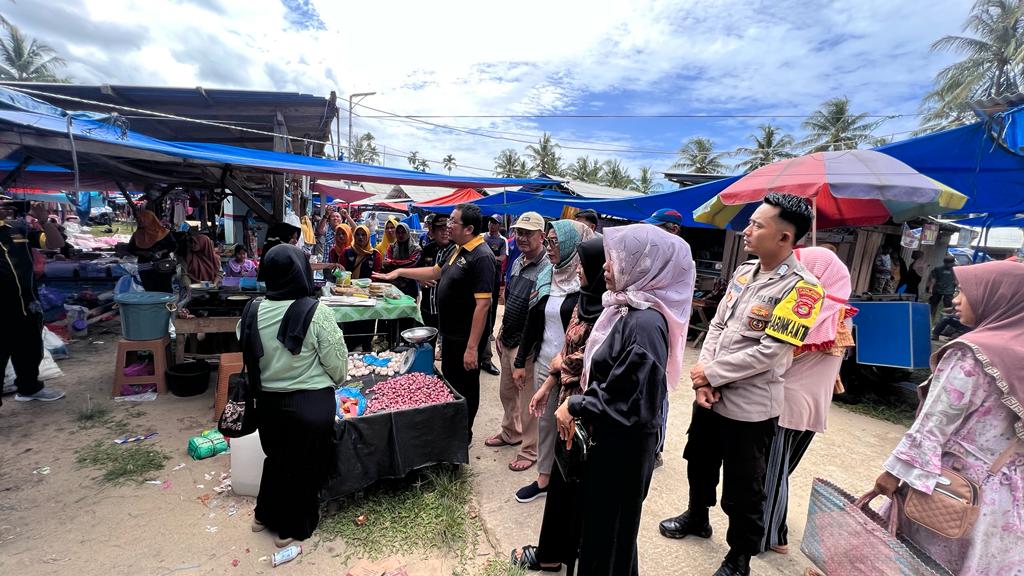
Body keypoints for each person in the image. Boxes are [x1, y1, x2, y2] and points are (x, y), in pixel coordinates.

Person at [659, 193, 822, 576]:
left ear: (784, 238)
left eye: (757, 225)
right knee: (698, 461)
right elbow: (717, 325)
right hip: (710, 397)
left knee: (743, 485)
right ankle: (697, 517)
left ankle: (739, 557)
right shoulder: (744, 272)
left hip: (750, 407)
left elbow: (771, 353)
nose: (747, 230)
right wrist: (704, 378)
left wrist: (711, 375)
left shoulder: (804, 289)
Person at [554, 224, 695, 576]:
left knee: (610, 535)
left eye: (615, 258)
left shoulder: (645, 324)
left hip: (624, 451)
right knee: (608, 535)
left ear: (643, 265)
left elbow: (631, 402)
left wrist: (576, 405)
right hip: (613, 443)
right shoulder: (627, 310)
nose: (604, 266)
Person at [873, 260, 1024, 576]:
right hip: (1006, 505)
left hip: (950, 491)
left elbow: (933, 424)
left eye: (965, 291)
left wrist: (892, 473)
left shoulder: (971, 353)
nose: (955, 299)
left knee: (912, 563)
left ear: (999, 296)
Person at [511, 236, 607, 573]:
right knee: (563, 488)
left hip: (587, 412)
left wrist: (558, 370)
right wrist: (550, 383)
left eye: (586, 264)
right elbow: (569, 352)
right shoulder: (586, 301)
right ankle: (554, 553)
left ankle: (561, 554)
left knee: (577, 489)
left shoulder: (613, 311)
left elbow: (589, 362)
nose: (580, 269)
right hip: (569, 404)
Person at [243, 244, 347, 547]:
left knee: (276, 458)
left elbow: (243, 340)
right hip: (310, 405)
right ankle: (290, 528)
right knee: (305, 466)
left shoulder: (252, 309)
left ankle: (262, 515)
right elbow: (337, 366)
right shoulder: (318, 312)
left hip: (267, 403)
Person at [758, 247, 855, 555]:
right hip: (811, 408)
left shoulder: (812, 313)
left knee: (771, 471)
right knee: (781, 468)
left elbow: (779, 355)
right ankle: (771, 526)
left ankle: (773, 534)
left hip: (787, 405)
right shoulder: (841, 315)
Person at [373, 203, 495, 442]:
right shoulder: (457, 249)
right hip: (450, 335)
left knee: (466, 388)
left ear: (469, 228)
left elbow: (483, 305)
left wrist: (472, 348)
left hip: (465, 339)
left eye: (452, 222)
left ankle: (463, 437)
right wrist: (399, 273)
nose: (447, 226)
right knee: (449, 383)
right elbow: (433, 272)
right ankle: (449, 431)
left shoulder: (482, 256)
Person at [514, 220, 594, 503]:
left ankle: (568, 482)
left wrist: (563, 365)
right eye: (547, 241)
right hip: (547, 362)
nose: (549, 248)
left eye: (554, 242)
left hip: (572, 369)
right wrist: (521, 359)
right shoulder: (548, 275)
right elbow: (533, 320)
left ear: (573, 244)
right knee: (545, 424)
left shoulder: (586, 284)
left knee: (569, 426)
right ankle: (544, 479)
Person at [485, 211, 552, 473]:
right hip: (509, 339)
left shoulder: (548, 268)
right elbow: (510, 298)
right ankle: (511, 433)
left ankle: (529, 449)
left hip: (528, 347)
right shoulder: (518, 261)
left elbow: (538, 314)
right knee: (506, 392)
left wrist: (525, 353)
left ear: (542, 236)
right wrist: (501, 331)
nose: (521, 237)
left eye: (528, 233)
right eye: (519, 232)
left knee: (528, 402)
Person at [0, 202, 66, 404]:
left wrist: (44, 220)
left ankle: (29, 388)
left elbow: (56, 244)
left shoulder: (16, 230)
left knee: (29, 349)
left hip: (27, 304)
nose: (5, 205)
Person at [481, 215, 509, 376]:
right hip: (479, 279)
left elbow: (503, 257)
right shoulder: (481, 237)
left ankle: (486, 357)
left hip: (494, 278)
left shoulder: (502, 241)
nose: (491, 225)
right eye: (490, 222)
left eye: (494, 223)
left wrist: (487, 257)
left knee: (490, 309)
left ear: (499, 225)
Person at [128, 209, 178, 293]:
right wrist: (143, 253)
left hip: (163, 266)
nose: (139, 221)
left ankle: (166, 305)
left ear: (149, 219)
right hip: (145, 267)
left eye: (141, 219)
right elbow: (130, 249)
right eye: (138, 220)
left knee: (165, 289)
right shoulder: (137, 234)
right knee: (150, 290)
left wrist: (161, 252)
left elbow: (173, 246)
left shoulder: (164, 232)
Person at [417, 215, 452, 331]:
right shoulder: (427, 249)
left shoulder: (456, 251)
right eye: (440, 229)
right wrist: (421, 279)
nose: (445, 232)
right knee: (428, 343)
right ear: (432, 231)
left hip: (448, 312)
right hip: (428, 308)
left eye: (447, 229)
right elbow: (418, 270)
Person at [383, 222, 422, 299]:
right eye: (398, 232)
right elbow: (385, 263)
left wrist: (392, 262)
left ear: (408, 232)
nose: (400, 235)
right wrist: (391, 263)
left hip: (410, 285)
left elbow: (412, 263)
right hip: (394, 285)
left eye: (403, 232)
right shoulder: (392, 247)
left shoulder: (416, 248)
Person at [928, 255, 958, 320]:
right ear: (944, 262)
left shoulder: (956, 269)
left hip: (949, 291)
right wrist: (931, 288)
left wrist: (957, 286)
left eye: (950, 263)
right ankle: (931, 318)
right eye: (946, 263)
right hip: (937, 290)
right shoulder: (938, 269)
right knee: (933, 305)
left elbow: (957, 280)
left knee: (947, 306)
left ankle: (945, 319)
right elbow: (933, 279)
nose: (948, 265)